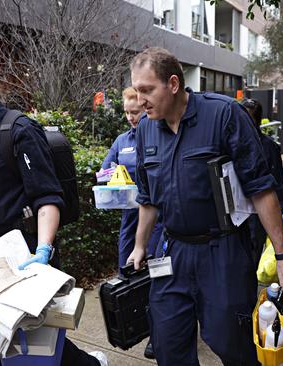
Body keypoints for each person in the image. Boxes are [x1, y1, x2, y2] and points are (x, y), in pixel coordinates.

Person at [0, 43, 107, 366]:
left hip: (19, 254)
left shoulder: (18, 130)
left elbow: (47, 199)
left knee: (31, 345)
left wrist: (42, 252)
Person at [126, 47, 283, 365]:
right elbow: (147, 199)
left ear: (174, 84)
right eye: (136, 91)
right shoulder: (147, 130)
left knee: (231, 343)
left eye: (147, 90)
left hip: (222, 252)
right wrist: (140, 246)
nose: (140, 101)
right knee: (167, 344)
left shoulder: (224, 115)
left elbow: (261, 189)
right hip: (172, 251)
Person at [100, 87, 163, 359]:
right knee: (129, 271)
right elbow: (103, 172)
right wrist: (110, 173)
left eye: (135, 112)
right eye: (126, 112)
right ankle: (141, 326)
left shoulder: (159, 135)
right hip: (130, 219)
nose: (130, 117)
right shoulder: (122, 140)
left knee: (159, 275)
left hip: (159, 220)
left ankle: (159, 335)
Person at [242, 98, 283, 264]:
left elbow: (277, 178)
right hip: (236, 210)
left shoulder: (268, 147)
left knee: (254, 252)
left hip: (258, 211)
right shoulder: (230, 142)